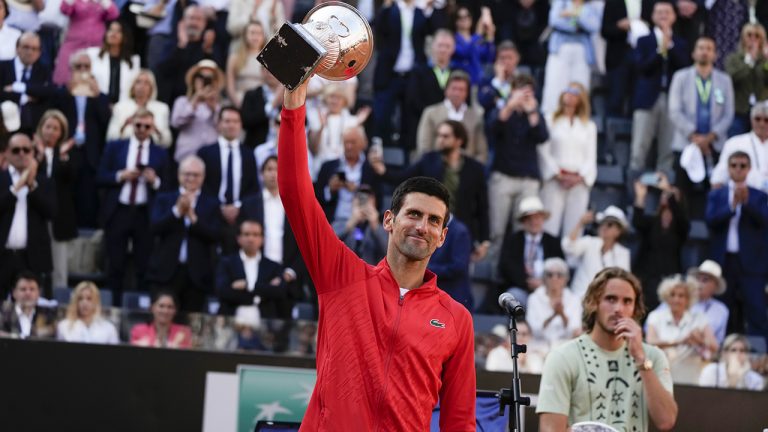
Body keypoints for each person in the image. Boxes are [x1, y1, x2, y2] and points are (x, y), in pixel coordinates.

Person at [278, 81, 476, 430]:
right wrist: (294, 106)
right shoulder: (341, 276)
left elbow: (459, 421)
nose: (422, 226)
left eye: (433, 221)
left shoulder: (457, 320)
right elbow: (296, 194)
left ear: (443, 237)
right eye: (413, 214)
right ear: (389, 220)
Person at [537, 267, 678, 431]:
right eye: (610, 299)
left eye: (627, 301)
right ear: (594, 302)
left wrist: (640, 359)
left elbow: (666, 421)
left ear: (634, 309)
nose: (619, 308)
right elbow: (550, 429)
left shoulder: (653, 357)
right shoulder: (562, 357)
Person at [370, 120, 490, 262]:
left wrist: (484, 240)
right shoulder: (429, 160)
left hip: (460, 230)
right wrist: (382, 171)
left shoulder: (475, 169)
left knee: (457, 276)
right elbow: (403, 178)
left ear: (459, 140)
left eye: (445, 136)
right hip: (431, 227)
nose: (440, 140)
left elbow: (482, 205)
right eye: (438, 136)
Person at [98, 109, 169, 304]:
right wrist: (120, 176)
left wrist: (154, 181)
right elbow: (100, 176)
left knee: (144, 266)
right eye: (138, 125)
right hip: (119, 210)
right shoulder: (115, 147)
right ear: (131, 124)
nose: (142, 130)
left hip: (144, 213)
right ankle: (111, 306)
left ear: (153, 128)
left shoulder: (160, 153)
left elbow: (168, 187)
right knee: (114, 265)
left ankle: (141, 310)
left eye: (147, 126)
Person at [705, 150, 768, 342]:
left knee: (756, 310)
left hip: (752, 264)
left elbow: (765, 220)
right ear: (728, 168)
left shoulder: (759, 196)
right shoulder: (718, 195)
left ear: (749, 169)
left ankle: (760, 357)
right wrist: (731, 207)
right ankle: (722, 353)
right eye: (734, 165)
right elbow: (711, 221)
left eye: (742, 166)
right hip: (723, 262)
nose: (738, 170)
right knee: (723, 309)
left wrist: (747, 202)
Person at [146, 155, 221, 312]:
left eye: (196, 174)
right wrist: (177, 212)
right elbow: (154, 227)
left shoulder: (212, 203)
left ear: (203, 177)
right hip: (165, 273)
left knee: (191, 323)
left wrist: (193, 219)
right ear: (179, 175)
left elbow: (215, 235)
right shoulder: (164, 198)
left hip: (197, 276)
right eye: (187, 174)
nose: (191, 178)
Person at [51, 49, 111, 229]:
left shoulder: (100, 95)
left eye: (86, 66)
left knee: (88, 198)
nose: (83, 70)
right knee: (67, 195)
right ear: (70, 69)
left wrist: (98, 95)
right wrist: (68, 92)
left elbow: (106, 123)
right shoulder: (62, 92)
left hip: (90, 153)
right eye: (78, 66)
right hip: (68, 150)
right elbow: (53, 115)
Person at [629, 1, 690, 175]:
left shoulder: (680, 43)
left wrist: (669, 46)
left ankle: (664, 195)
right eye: (659, 12)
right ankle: (635, 194)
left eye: (667, 12)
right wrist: (659, 50)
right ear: (653, 16)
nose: (663, 15)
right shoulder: (643, 40)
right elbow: (641, 67)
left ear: (674, 16)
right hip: (647, 99)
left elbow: (684, 67)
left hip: (672, 101)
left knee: (667, 149)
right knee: (639, 148)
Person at [488, 74, 548, 248]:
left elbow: (542, 136)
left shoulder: (535, 114)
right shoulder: (502, 110)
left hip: (528, 179)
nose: (523, 96)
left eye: (527, 92)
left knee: (522, 231)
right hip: (503, 176)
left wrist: (531, 112)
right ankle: (490, 273)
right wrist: (510, 106)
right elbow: (492, 128)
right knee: (496, 231)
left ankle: (517, 273)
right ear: (512, 91)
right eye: (519, 90)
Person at [197, 106, 260, 253]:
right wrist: (220, 207)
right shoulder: (205, 152)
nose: (231, 125)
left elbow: (253, 187)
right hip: (211, 215)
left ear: (241, 125)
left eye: (235, 121)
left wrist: (237, 206)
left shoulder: (249, 154)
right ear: (219, 124)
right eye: (227, 121)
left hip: (240, 217)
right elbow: (202, 185)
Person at [538, 82, 597, 238]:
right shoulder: (550, 120)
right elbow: (543, 150)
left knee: (574, 230)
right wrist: (557, 174)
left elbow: (590, 157)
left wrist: (579, 177)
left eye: (575, 93)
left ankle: (571, 262)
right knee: (549, 225)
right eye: (568, 91)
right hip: (555, 179)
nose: (570, 95)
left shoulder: (589, 126)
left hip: (579, 182)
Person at [0, 133, 55, 298]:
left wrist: (31, 186)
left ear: (32, 153)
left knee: (31, 307)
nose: (21, 154)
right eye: (16, 150)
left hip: (31, 257)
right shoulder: (1, 179)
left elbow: (51, 212)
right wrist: (15, 189)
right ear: (7, 154)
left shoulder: (44, 182)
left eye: (26, 150)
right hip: (3, 256)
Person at [493, 196, 565, 312]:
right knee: (512, 297)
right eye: (528, 219)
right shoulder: (513, 240)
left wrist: (544, 283)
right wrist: (527, 282)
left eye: (537, 217)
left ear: (542, 219)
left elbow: (561, 267)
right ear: (523, 221)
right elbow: (506, 267)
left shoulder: (553, 242)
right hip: (522, 290)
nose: (533, 222)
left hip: (547, 291)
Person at [645, 274, 719, 384]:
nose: (676, 299)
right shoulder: (655, 316)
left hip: (691, 380)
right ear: (666, 297)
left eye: (681, 296)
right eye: (672, 295)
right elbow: (650, 342)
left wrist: (699, 341)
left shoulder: (699, 318)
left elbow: (714, 346)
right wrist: (680, 341)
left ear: (688, 299)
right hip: (662, 379)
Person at [631, 172, 689, 309]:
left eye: (671, 195)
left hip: (668, 280)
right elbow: (637, 221)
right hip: (647, 278)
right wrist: (640, 196)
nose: (667, 196)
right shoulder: (652, 223)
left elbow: (680, 217)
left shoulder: (681, 227)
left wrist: (668, 189)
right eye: (664, 194)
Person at [34, 109, 77, 290]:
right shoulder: (28, 149)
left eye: (55, 128)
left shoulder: (68, 153)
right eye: (48, 127)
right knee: (35, 265)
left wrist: (59, 155)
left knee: (59, 269)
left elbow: (71, 178)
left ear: (61, 133)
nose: (51, 131)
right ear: (41, 128)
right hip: (36, 215)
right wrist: (39, 155)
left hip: (60, 217)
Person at [540, 0, 601, 114]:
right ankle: (551, 119)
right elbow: (554, 20)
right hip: (560, 49)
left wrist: (574, 14)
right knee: (555, 87)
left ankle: (578, 118)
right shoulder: (561, 2)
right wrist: (578, 26)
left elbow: (594, 26)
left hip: (582, 52)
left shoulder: (590, 6)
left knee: (580, 87)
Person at [215, 219, 285, 318]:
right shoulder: (226, 263)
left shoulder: (273, 266)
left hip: (264, 319)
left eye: (256, 234)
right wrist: (263, 291)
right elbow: (223, 291)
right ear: (238, 238)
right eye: (246, 234)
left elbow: (279, 292)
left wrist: (248, 285)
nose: (251, 239)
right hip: (232, 317)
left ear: (262, 239)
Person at [415, 70, 487, 163]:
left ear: (466, 93)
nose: (457, 93)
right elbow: (424, 146)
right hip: (436, 169)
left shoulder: (476, 117)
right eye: (454, 88)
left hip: (467, 171)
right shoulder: (431, 113)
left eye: (461, 89)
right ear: (446, 90)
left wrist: (472, 171)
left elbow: (482, 152)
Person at [314, 126, 380, 225]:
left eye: (353, 142)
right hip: (333, 222)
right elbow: (316, 199)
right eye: (346, 142)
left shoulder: (371, 169)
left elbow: (378, 201)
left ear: (363, 144)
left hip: (361, 223)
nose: (349, 146)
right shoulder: (328, 167)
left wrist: (356, 190)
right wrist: (330, 190)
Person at [563, 206, 631, 297]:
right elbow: (568, 247)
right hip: (579, 299)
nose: (604, 227)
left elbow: (623, 281)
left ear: (618, 231)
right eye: (602, 223)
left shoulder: (623, 253)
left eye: (609, 224)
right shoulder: (589, 242)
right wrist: (580, 223)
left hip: (604, 303)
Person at [600, 0, 654, 117]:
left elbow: (655, 28)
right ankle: (611, 133)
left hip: (643, 57)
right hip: (618, 56)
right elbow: (604, 30)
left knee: (637, 99)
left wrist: (643, 25)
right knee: (615, 97)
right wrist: (620, 26)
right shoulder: (613, 2)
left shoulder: (650, 2)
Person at [156, 5, 215, 105]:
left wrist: (207, 51)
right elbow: (162, 71)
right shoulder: (171, 43)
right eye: (191, 18)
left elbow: (214, 77)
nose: (194, 23)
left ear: (205, 24)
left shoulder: (208, 47)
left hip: (198, 103)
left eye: (199, 19)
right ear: (182, 22)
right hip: (170, 100)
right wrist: (181, 46)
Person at [52, 0, 118, 85]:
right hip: (73, 45)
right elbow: (64, 9)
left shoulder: (100, 2)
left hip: (96, 47)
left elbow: (114, 14)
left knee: (94, 77)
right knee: (65, 77)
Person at [0, 32, 55, 135]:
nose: (30, 52)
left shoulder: (44, 71)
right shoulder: (3, 67)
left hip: (34, 130)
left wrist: (20, 87)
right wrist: (23, 97)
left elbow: (48, 92)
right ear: (17, 48)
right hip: (4, 128)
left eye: (34, 49)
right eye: (26, 47)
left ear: (39, 52)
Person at [170, 59, 222, 162]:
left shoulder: (220, 106)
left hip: (211, 159)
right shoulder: (182, 101)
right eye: (201, 77)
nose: (205, 82)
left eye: (209, 79)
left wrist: (214, 108)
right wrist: (195, 101)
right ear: (194, 80)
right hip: (186, 156)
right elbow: (176, 123)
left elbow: (223, 130)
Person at [105, 69, 172, 148]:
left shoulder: (162, 109)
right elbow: (109, 138)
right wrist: (123, 127)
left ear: (152, 88)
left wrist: (156, 130)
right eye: (138, 82)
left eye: (146, 83)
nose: (142, 86)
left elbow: (168, 142)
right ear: (132, 86)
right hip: (124, 152)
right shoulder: (120, 107)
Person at [711, 100, 768, 191]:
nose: (762, 124)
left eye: (766, 120)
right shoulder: (735, 143)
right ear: (751, 120)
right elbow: (719, 178)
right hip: (745, 197)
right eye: (758, 119)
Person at [526, 257, 582, 345]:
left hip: (565, 346)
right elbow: (534, 330)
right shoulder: (534, 298)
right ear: (544, 278)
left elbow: (575, 331)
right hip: (539, 346)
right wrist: (553, 315)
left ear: (566, 279)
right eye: (550, 275)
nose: (554, 278)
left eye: (559, 275)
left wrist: (562, 314)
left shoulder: (574, 299)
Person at [724, 23, 768, 137]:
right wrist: (749, 62)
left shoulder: (765, 60)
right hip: (739, 110)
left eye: (757, 36)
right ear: (743, 37)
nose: (753, 39)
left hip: (762, 114)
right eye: (749, 35)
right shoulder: (733, 58)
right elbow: (731, 78)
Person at [86, 20, 140, 104]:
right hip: (97, 103)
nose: (113, 34)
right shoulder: (92, 54)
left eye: (118, 31)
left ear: (125, 36)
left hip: (123, 107)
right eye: (110, 30)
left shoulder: (134, 60)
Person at [698, 333, 766, 390]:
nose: (738, 354)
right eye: (733, 350)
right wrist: (732, 381)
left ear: (747, 355)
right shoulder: (711, 371)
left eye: (742, 351)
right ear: (724, 354)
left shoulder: (756, 380)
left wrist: (742, 379)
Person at [0, 271, 56, 339]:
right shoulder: (3, 311)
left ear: (38, 293)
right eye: (23, 289)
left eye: (32, 289)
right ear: (14, 293)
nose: (28, 293)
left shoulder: (48, 314)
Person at [450, 6, 495, 86]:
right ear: (455, 21)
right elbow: (464, 52)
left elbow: (488, 57)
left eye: (467, 16)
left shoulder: (476, 39)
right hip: (462, 83)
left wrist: (490, 37)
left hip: (478, 82)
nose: (464, 19)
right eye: (460, 17)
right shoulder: (453, 39)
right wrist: (478, 34)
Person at [225, 20, 265, 108]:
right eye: (252, 33)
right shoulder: (234, 57)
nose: (255, 37)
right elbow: (230, 86)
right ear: (245, 35)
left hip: (261, 103)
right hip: (239, 100)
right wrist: (239, 105)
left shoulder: (267, 58)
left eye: (259, 33)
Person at [688, 259, 729, 344]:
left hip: (707, 353)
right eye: (697, 279)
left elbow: (719, 341)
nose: (699, 283)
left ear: (715, 286)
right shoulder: (680, 299)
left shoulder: (721, 309)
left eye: (705, 280)